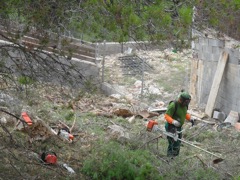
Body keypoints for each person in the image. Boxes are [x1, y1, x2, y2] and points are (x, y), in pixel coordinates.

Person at [164, 91, 194, 157]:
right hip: (171, 126)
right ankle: (169, 159)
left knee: (178, 142)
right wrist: (173, 121)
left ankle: (175, 158)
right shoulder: (174, 105)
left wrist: (190, 118)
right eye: (186, 102)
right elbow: (166, 116)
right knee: (173, 143)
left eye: (188, 102)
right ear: (181, 100)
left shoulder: (185, 106)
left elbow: (184, 113)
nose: (187, 103)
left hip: (178, 127)